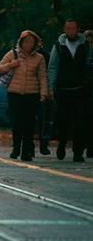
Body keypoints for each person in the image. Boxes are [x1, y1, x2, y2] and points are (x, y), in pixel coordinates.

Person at [0, 32, 48, 160]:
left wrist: (44, 93)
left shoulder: (39, 58)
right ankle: (16, 147)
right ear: (21, 42)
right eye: (26, 42)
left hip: (32, 94)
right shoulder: (12, 54)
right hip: (15, 93)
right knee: (17, 123)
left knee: (29, 124)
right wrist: (11, 65)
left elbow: (42, 76)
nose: (28, 45)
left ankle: (26, 151)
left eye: (31, 42)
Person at [47, 19, 91, 162]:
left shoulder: (85, 45)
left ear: (78, 29)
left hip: (80, 89)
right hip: (63, 89)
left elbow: (88, 64)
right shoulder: (59, 46)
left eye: (72, 28)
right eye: (67, 28)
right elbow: (53, 66)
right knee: (63, 120)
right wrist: (51, 86)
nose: (70, 31)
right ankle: (62, 144)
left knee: (80, 122)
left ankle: (78, 151)